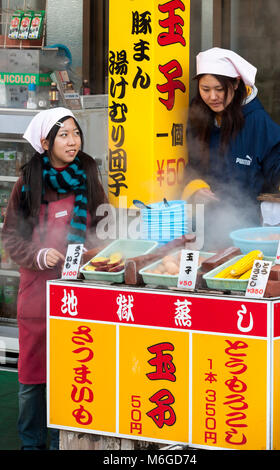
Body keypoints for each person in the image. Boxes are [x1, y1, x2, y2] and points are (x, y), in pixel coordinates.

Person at [2, 107, 108, 450]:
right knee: (34, 379)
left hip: (79, 293)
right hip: (37, 293)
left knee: (74, 371)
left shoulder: (88, 173)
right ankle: (32, 444)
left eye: (76, 133)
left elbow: (101, 230)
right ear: (46, 142)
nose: (73, 141)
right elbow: (11, 237)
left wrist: (94, 254)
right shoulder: (28, 181)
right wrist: (38, 255)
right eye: (64, 135)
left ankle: (67, 441)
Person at [182, 47, 280, 249]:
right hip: (203, 225)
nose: (212, 97)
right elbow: (193, 164)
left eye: (219, 89)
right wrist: (195, 188)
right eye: (205, 89)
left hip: (244, 224)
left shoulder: (255, 119)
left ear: (236, 83)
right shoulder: (198, 115)